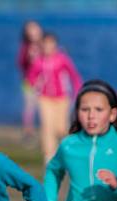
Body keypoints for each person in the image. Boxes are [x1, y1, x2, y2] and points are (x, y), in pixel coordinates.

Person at [27, 32, 82, 164]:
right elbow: (31, 77)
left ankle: (67, 152)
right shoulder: (38, 61)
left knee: (62, 128)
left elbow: (74, 76)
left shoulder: (62, 59)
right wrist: (35, 86)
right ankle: (49, 157)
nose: (48, 46)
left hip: (62, 98)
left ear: (55, 45)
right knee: (47, 127)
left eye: (51, 43)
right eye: (45, 44)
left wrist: (78, 92)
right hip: (45, 98)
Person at [17, 20, 43, 142]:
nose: (34, 32)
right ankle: (28, 133)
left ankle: (47, 130)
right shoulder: (25, 48)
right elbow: (20, 63)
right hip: (29, 83)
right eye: (31, 30)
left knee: (45, 107)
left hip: (44, 82)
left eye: (35, 29)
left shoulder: (44, 45)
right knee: (29, 108)